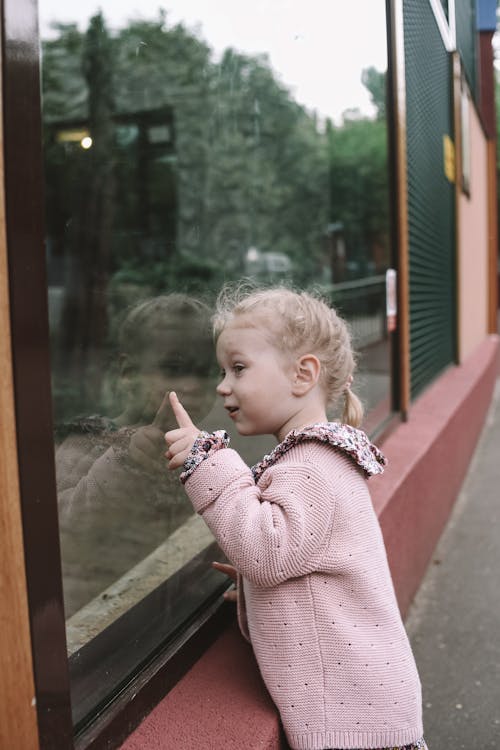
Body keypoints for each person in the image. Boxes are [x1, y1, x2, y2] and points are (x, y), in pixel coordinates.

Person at [165, 285, 427, 750]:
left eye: (239, 368)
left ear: (303, 374)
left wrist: (205, 462)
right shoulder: (318, 455)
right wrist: (256, 587)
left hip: (353, 726)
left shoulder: (311, 466)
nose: (223, 385)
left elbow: (267, 550)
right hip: (363, 710)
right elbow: (297, 556)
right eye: (223, 370)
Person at [56, 293, 215, 615]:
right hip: (99, 627)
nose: (193, 385)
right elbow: (62, 538)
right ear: (128, 373)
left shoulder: (205, 450)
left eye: (207, 371)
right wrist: (127, 463)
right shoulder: (86, 442)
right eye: (174, 368)